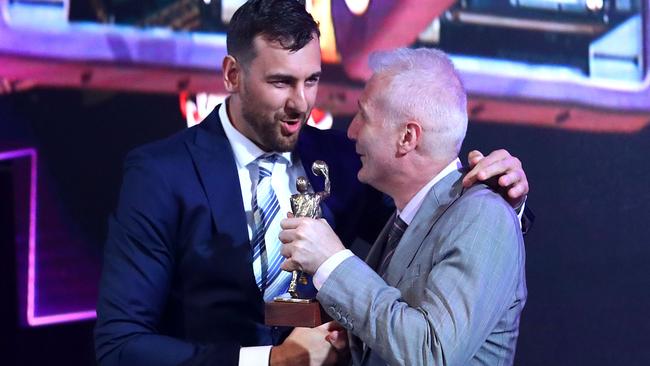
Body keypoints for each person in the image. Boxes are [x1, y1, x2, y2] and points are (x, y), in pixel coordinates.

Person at [94, 1, 530, 365]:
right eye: (281, 82)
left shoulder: (345, 159)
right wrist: (266, 362)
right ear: (232, 75)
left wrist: (502, 196)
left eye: (312, 80)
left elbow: (431, 232)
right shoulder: (161, 173)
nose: (300, 104)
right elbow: (120, 345)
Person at [279, 48, 527, 366]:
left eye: (364, 117)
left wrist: (333, 262)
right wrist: (350, 342)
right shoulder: (407, 214)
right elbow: (396, 328)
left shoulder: (481, 215)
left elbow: (432, 353)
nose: (352, 131)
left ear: (407, 137)